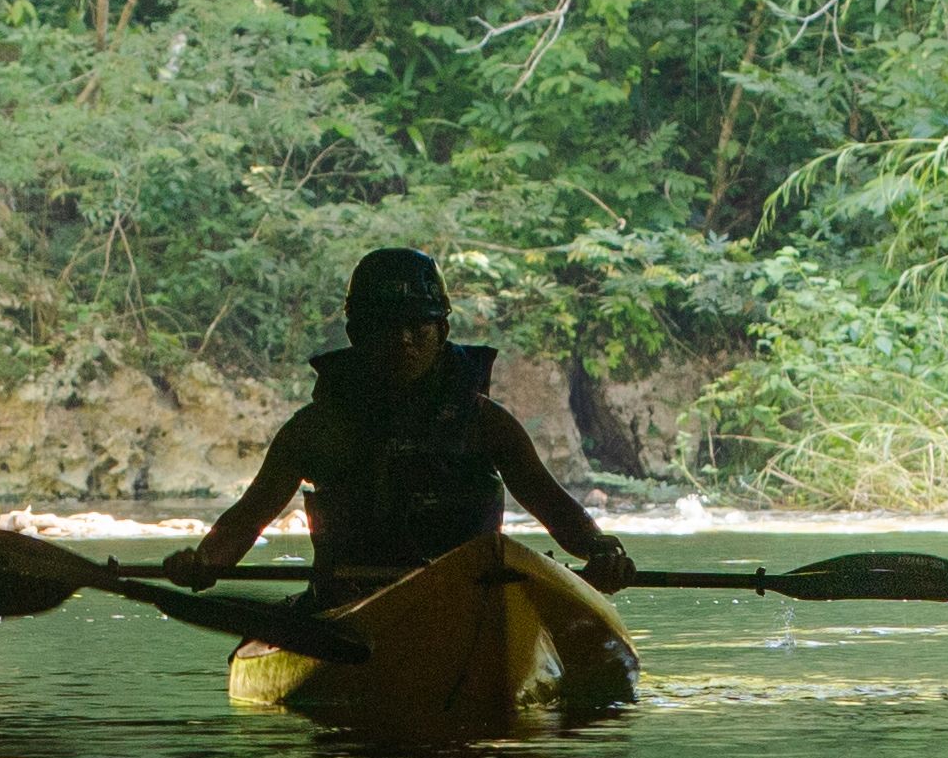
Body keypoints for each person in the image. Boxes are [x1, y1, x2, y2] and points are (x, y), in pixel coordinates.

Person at [174, 246, 634, 603]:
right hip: (349, 604)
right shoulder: (314, 430)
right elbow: (248, 518)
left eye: (418, 325)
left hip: (471, 601)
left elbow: (554, 506)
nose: (403, 340)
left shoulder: (485, 423)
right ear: (356, 335)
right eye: (385, 326)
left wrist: (600, 548)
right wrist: (204, 560)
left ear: (442, 332)